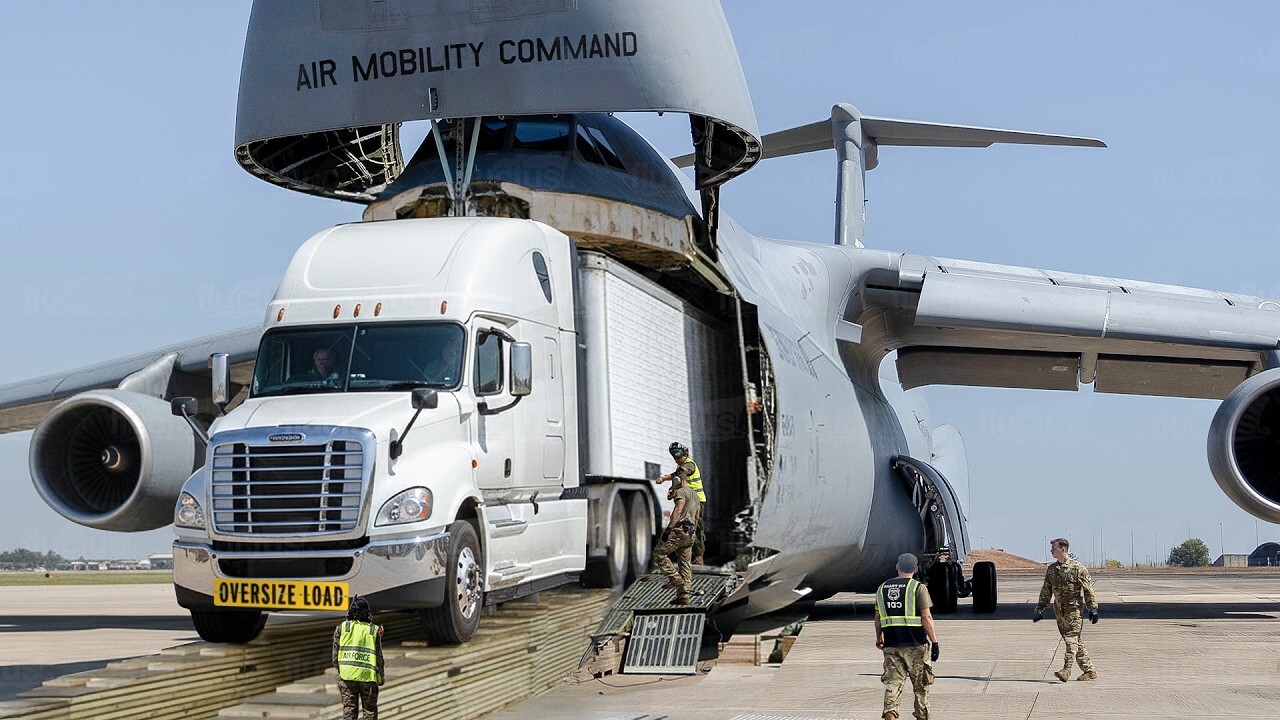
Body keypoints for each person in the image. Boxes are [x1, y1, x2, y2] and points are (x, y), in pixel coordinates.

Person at [874, 553, 938, 720]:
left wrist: (878, 637)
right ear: (916, 569)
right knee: (921, 687)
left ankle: (890, 712)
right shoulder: (918, 588)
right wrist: (935, 641)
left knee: (893, 683)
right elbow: (926, 617)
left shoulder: (882, 588)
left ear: (897, 566)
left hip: (892, 643)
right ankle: (922, 716)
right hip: (916, 644)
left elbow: (878, 617)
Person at [1034, 537, 1099, 682]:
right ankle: (1089, 671)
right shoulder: (1052, 569)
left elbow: (1088, 590)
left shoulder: (1078, 568)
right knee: (1075, 641)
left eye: (1054, 548)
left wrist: (1092, 608)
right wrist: (1039, 608)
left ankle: (1066, 670)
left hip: (1074, 611)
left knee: (1071, 640)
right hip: (1059, 611)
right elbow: (1046, 590)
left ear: (1063, 549)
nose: (1051, 551)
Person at [332, 595, 385, 720]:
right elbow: (379, 658)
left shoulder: (343, 628)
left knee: (349, 709)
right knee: (369, 710)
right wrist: (381, 677)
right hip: (368, 678)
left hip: (347, 677)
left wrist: (341, 670)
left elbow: (335, 656)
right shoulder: (372, 630)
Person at [652, 472, 700, 605]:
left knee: (659, 554)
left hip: (678, 530)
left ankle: (674, 578)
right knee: (685, 564)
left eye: (673, 481)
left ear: (678, 480)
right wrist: (693, 532)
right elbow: (696, 517)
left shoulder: (681, 493)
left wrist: (669, 529)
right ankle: (683, 596)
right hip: (690, 533)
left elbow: (678, 511)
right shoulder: (695, 495)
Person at [656, 442, 706, 564]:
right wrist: (664, 479)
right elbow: (676, 476)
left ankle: (699, 556)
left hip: (696, 500)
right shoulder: (680, 467)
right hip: (687, 500)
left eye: (679, 457)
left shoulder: (689, 464)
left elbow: (685, 471)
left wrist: (682, 471)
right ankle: (685, 556)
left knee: (695, 527)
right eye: (674, 458)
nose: (676, 460)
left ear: (685, 454)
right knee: (685, 528)